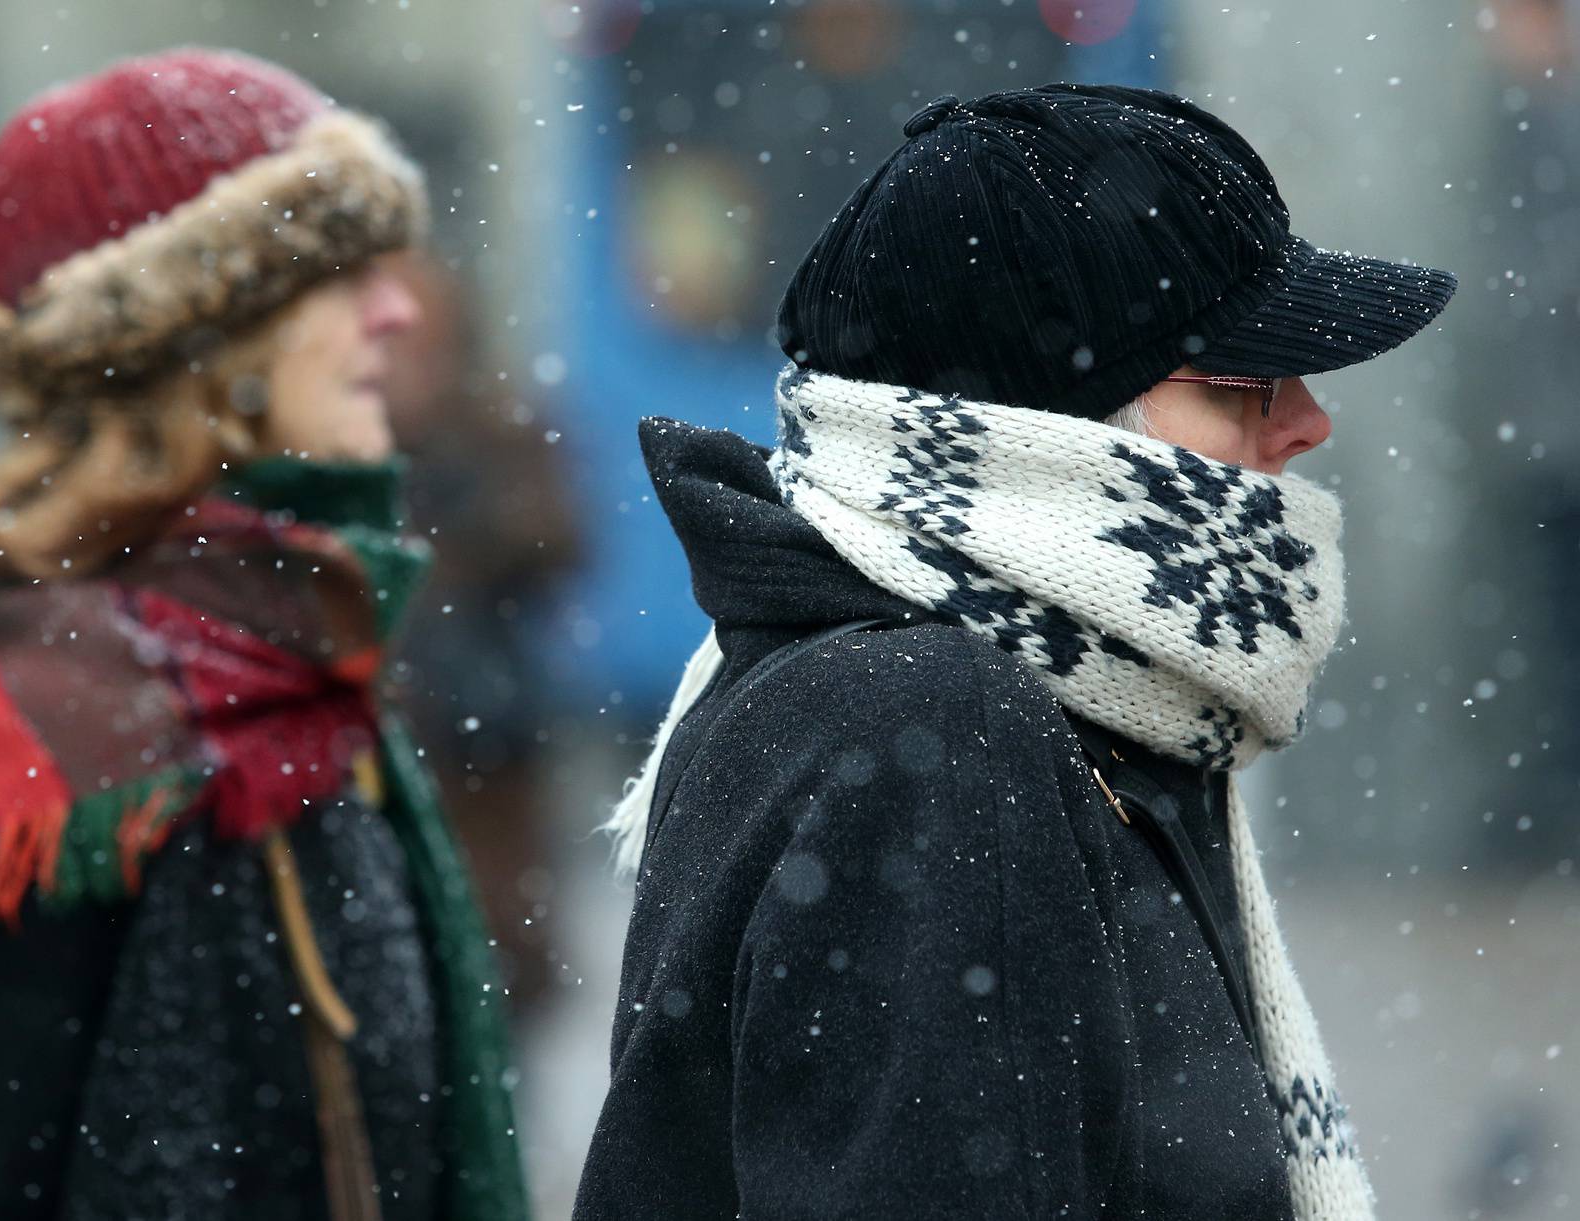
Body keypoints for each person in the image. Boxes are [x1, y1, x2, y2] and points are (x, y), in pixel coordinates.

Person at [577, 85, 1455, 1220]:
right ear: (1048, 433)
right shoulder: (929, 730)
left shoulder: (983, 683)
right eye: (1241, 380)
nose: (1306, 419)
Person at [0, 48, 526, 1221]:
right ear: (202, 341)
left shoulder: (301, 675)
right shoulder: (82, 750)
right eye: (336, 275)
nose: (396, 308)